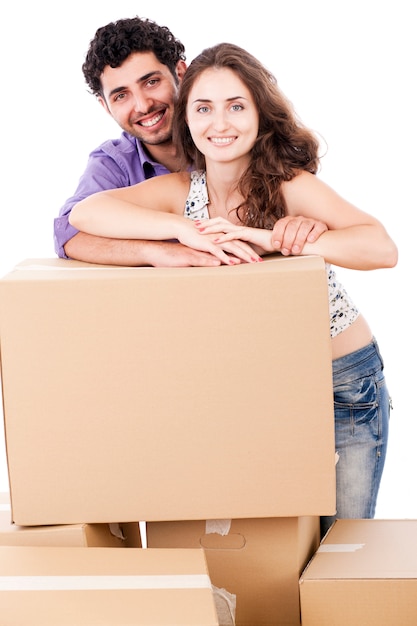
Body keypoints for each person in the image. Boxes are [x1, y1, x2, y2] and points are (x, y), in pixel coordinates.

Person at [69, 42, 398, 535]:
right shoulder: (184, 192)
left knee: (340, 550)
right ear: (187, 118)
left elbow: (382, 249)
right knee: (278, 548)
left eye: (236, 107)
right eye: (203, 108)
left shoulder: (289, 184)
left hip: (341, 386)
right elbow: (85, 213)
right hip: (259, 384)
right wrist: (181, 232)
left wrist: (279, 239)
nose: (219, 124)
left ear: (260, 115)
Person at [54, 16, 326, 267]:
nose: (143, 105)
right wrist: (161, 250)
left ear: (180, 74)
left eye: (150, 82)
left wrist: (302, 225)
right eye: (121, 95)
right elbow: (70, 233)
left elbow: (321, 218)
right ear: (105, 106)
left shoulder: (230, 138)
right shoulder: (115, 162)